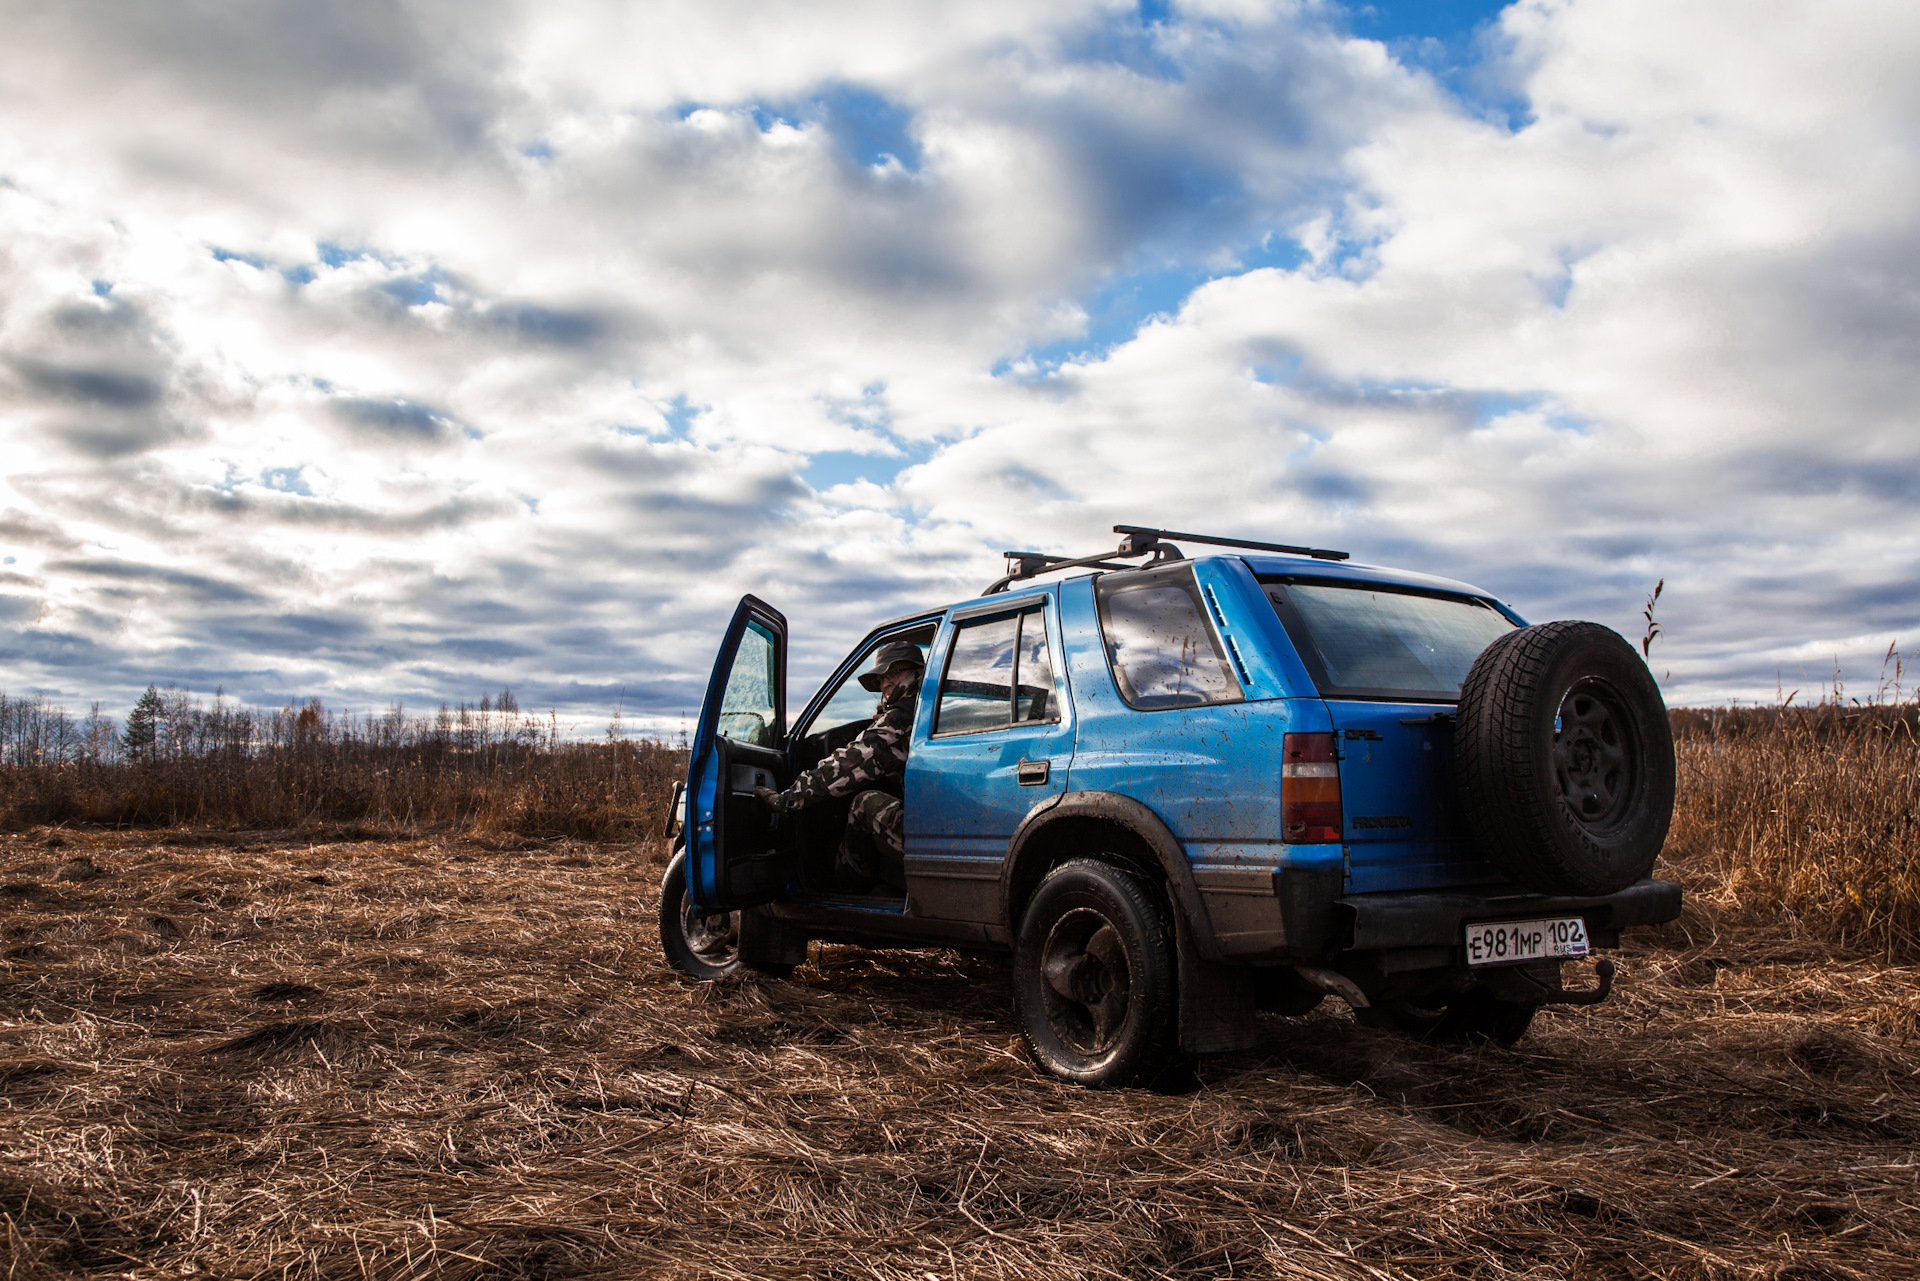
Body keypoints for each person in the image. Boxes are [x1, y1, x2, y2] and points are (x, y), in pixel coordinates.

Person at [753, 640, 923, 890]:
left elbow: (844, 768)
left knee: (862, 803)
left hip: (926, 833)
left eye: (896, 672)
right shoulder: (926, 710)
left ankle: (850, 890)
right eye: (882, 678)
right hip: (943, 825)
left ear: (918, 671)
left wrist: (786, 799)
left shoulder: (901, 719)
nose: (886, 683)